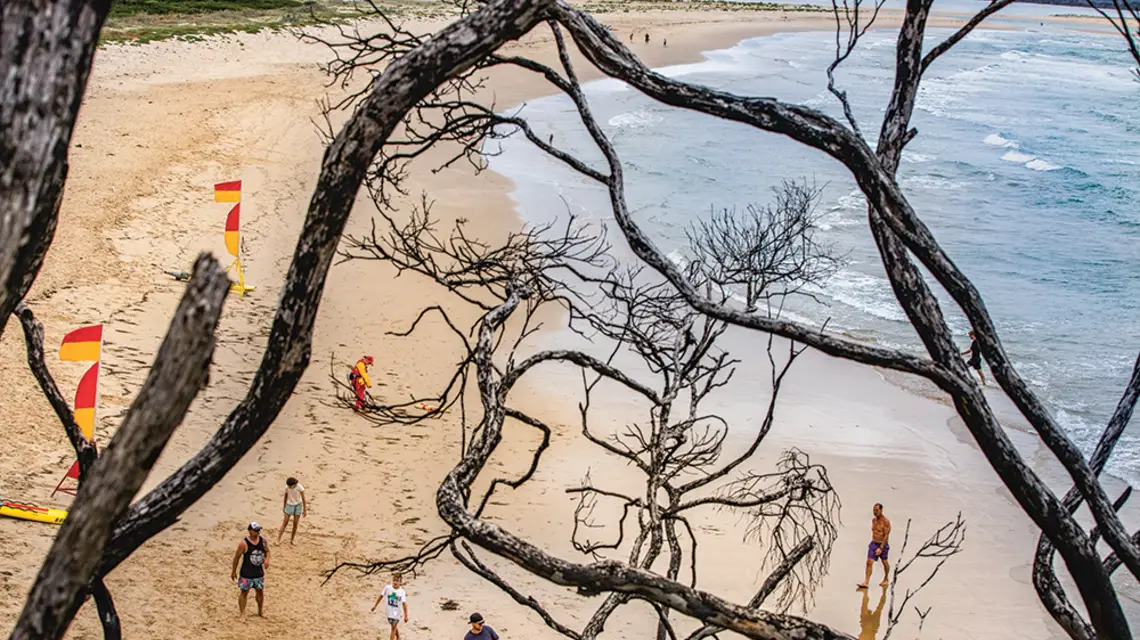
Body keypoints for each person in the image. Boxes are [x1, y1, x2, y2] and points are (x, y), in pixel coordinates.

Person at [231, 522, 269, 617]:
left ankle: (260, 612)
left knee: (260, 591)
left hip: (258, 572)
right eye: (256, 531)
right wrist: (233, 571)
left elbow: (267, 551)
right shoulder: (243, 544)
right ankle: (242, 613)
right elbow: (237, 558)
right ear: (250, 531)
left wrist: (267, 560)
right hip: (246, 573)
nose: (258, 532)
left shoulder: (263, 541)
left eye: (259, 530)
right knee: (244, 592)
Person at [857, 503, 891, 589]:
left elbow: (886, 535)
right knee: (869, 562)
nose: (875, 512)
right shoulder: (874, 520)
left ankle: (886, 578)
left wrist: (881, 548)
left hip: (882, 544)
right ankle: (866, 582)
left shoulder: (886, 522)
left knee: (884, 562)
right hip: (874, 543)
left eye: (877, 510)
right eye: (874, 510)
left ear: (881, 510)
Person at [372, 573, 409, 640]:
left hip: (397, 613)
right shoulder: (387, 588)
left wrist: (406, 615)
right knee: (393, 626)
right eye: (394, 580)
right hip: (389, 612)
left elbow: (404, 604)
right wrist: (375, 605)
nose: (395, 582)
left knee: (393, 628)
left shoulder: (402, 592)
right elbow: (381, 596)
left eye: (397, 581)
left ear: (400, 582)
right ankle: (398, 637)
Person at [276, 476, 307, 545]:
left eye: (290, 486)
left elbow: (303, 499)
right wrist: (284, 506)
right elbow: (285, 497)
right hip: (289, 505)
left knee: (295, 524)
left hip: (298, 506)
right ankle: (278, 539)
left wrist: (305, 510)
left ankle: (292, 540)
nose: (289, 487)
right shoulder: (287, 487)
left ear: (294, 485)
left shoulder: (299, 487)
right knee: (285, 522)